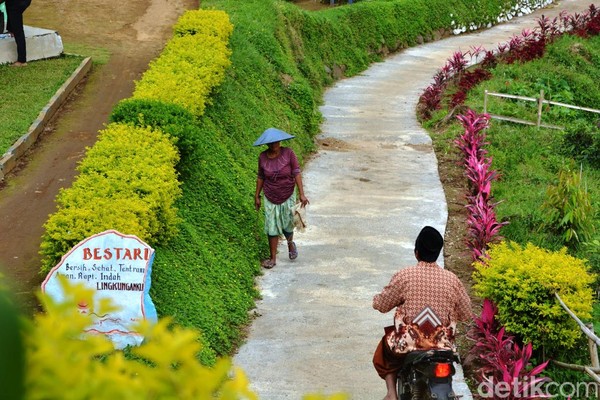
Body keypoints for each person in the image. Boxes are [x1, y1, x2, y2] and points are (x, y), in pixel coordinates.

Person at [372, 226, 472, 400]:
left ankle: (391, 393)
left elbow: (381, 305)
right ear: (438, 252)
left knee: (385, 350)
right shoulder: (452, 280)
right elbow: (467, 313)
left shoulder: (405, 276)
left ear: (416, 252)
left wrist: (377, 300)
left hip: (410, 344)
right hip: (443, 346)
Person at [254, 127, 309, 269]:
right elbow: (260, 177)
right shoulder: (262, 157)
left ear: (280, 141)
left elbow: (296, 172)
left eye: (276, 142)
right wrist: (257, 196)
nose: (274, 145)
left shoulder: (288, 153)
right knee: (271, 226)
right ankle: (273, 258)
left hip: (287, 193)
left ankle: (290, 244)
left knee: (287, 223)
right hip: (270, 194)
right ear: (266, 144)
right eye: (271, 143)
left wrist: (301, 194)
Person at [6, 0, 32, 67]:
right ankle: (11, 29)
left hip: (17, 3)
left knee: (18, 31)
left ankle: (21, 61)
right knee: (10, 9)